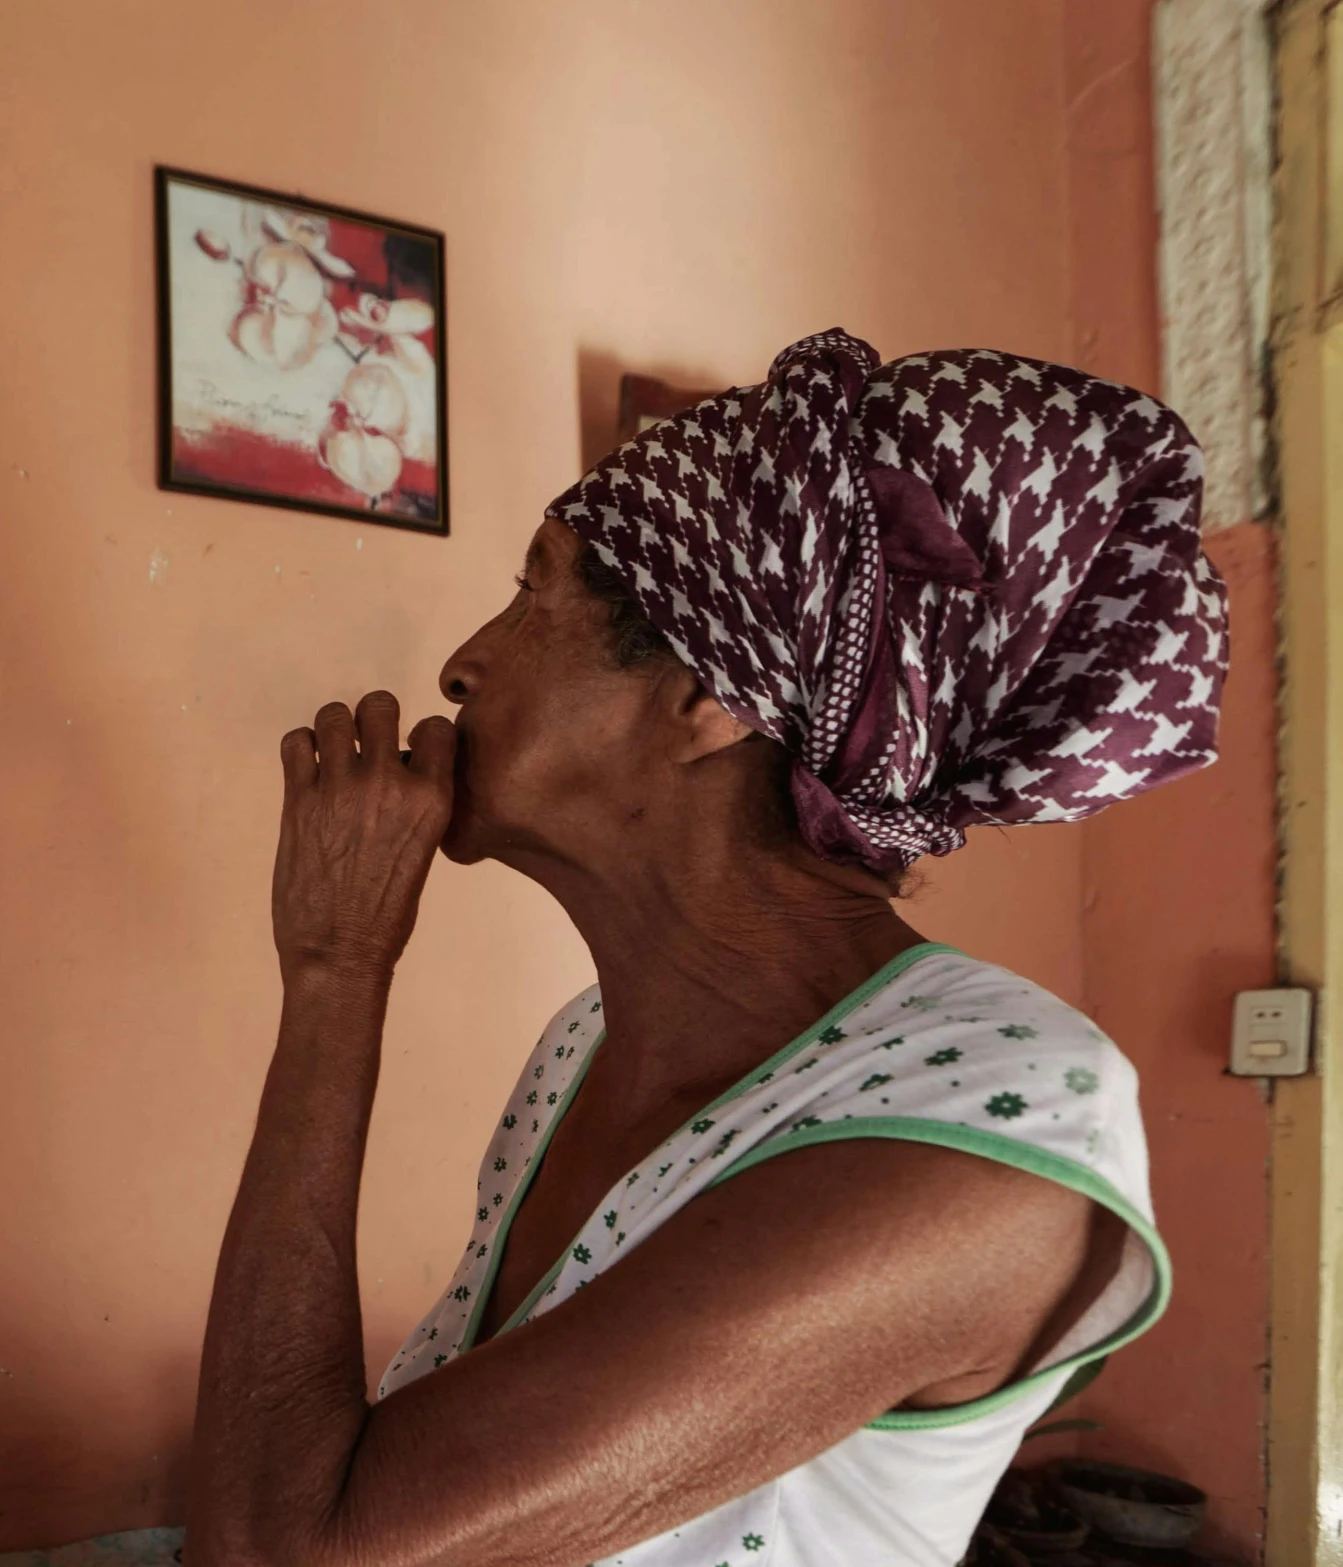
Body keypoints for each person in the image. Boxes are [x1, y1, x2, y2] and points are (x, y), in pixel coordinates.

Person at [187, 330, 1230, 1566]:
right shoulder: (585, 1042)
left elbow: (284, 1546)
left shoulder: (996, 1132)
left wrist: (333, 973)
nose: (462, 663)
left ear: (708, 699)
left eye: (535, 591)